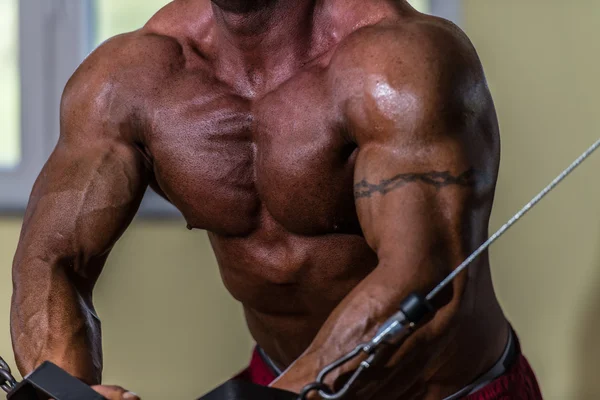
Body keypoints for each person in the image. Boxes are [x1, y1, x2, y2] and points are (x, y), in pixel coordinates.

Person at [10, 0, 543, 399]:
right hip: (277, 381)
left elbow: (426, 287)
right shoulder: (130, 80)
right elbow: (52, 259)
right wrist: (63, 389)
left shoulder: (395, 64)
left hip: (442, 391)